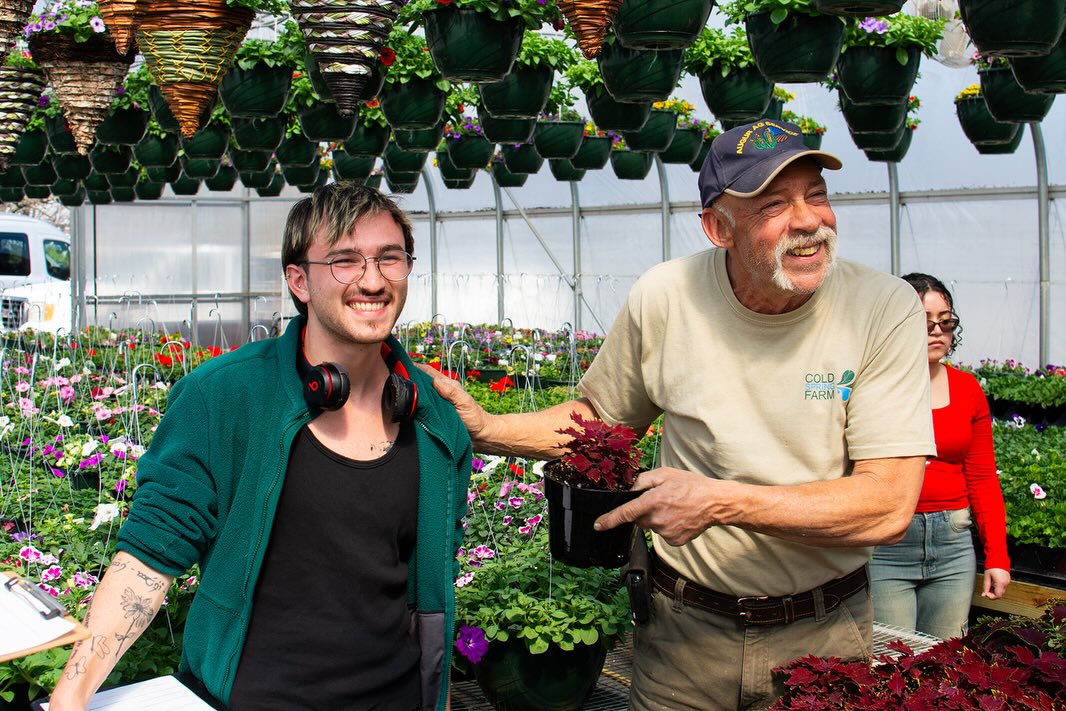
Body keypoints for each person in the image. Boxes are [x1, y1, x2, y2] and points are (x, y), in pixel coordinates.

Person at [424, 120, 935, 710]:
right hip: (682, 637)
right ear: (719, 227)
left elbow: (889, 505)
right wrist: (487, 428)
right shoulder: (665, 296)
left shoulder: (883, 307)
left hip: (823, 632)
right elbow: (599, 423)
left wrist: (719, 501)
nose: (808, 220)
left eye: (815, 194)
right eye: (774, 204)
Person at [49, 183, 473, 710]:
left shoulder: (434, 421)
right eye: (344, 261)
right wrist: (68, 700)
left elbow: (435, 590)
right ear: (298, 280)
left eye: (390, 258)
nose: (373, 279)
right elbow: (148, 559)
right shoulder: (224, 398)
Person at [870, 273, 1011, 640]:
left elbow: (982, 478)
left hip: (952, 545)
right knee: (893, 662)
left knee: (945, 666)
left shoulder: (967, 390)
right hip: (888, 544)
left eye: (945, 322)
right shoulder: (873, 389)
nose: (936, 331)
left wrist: (997, 557)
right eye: (923, 322)